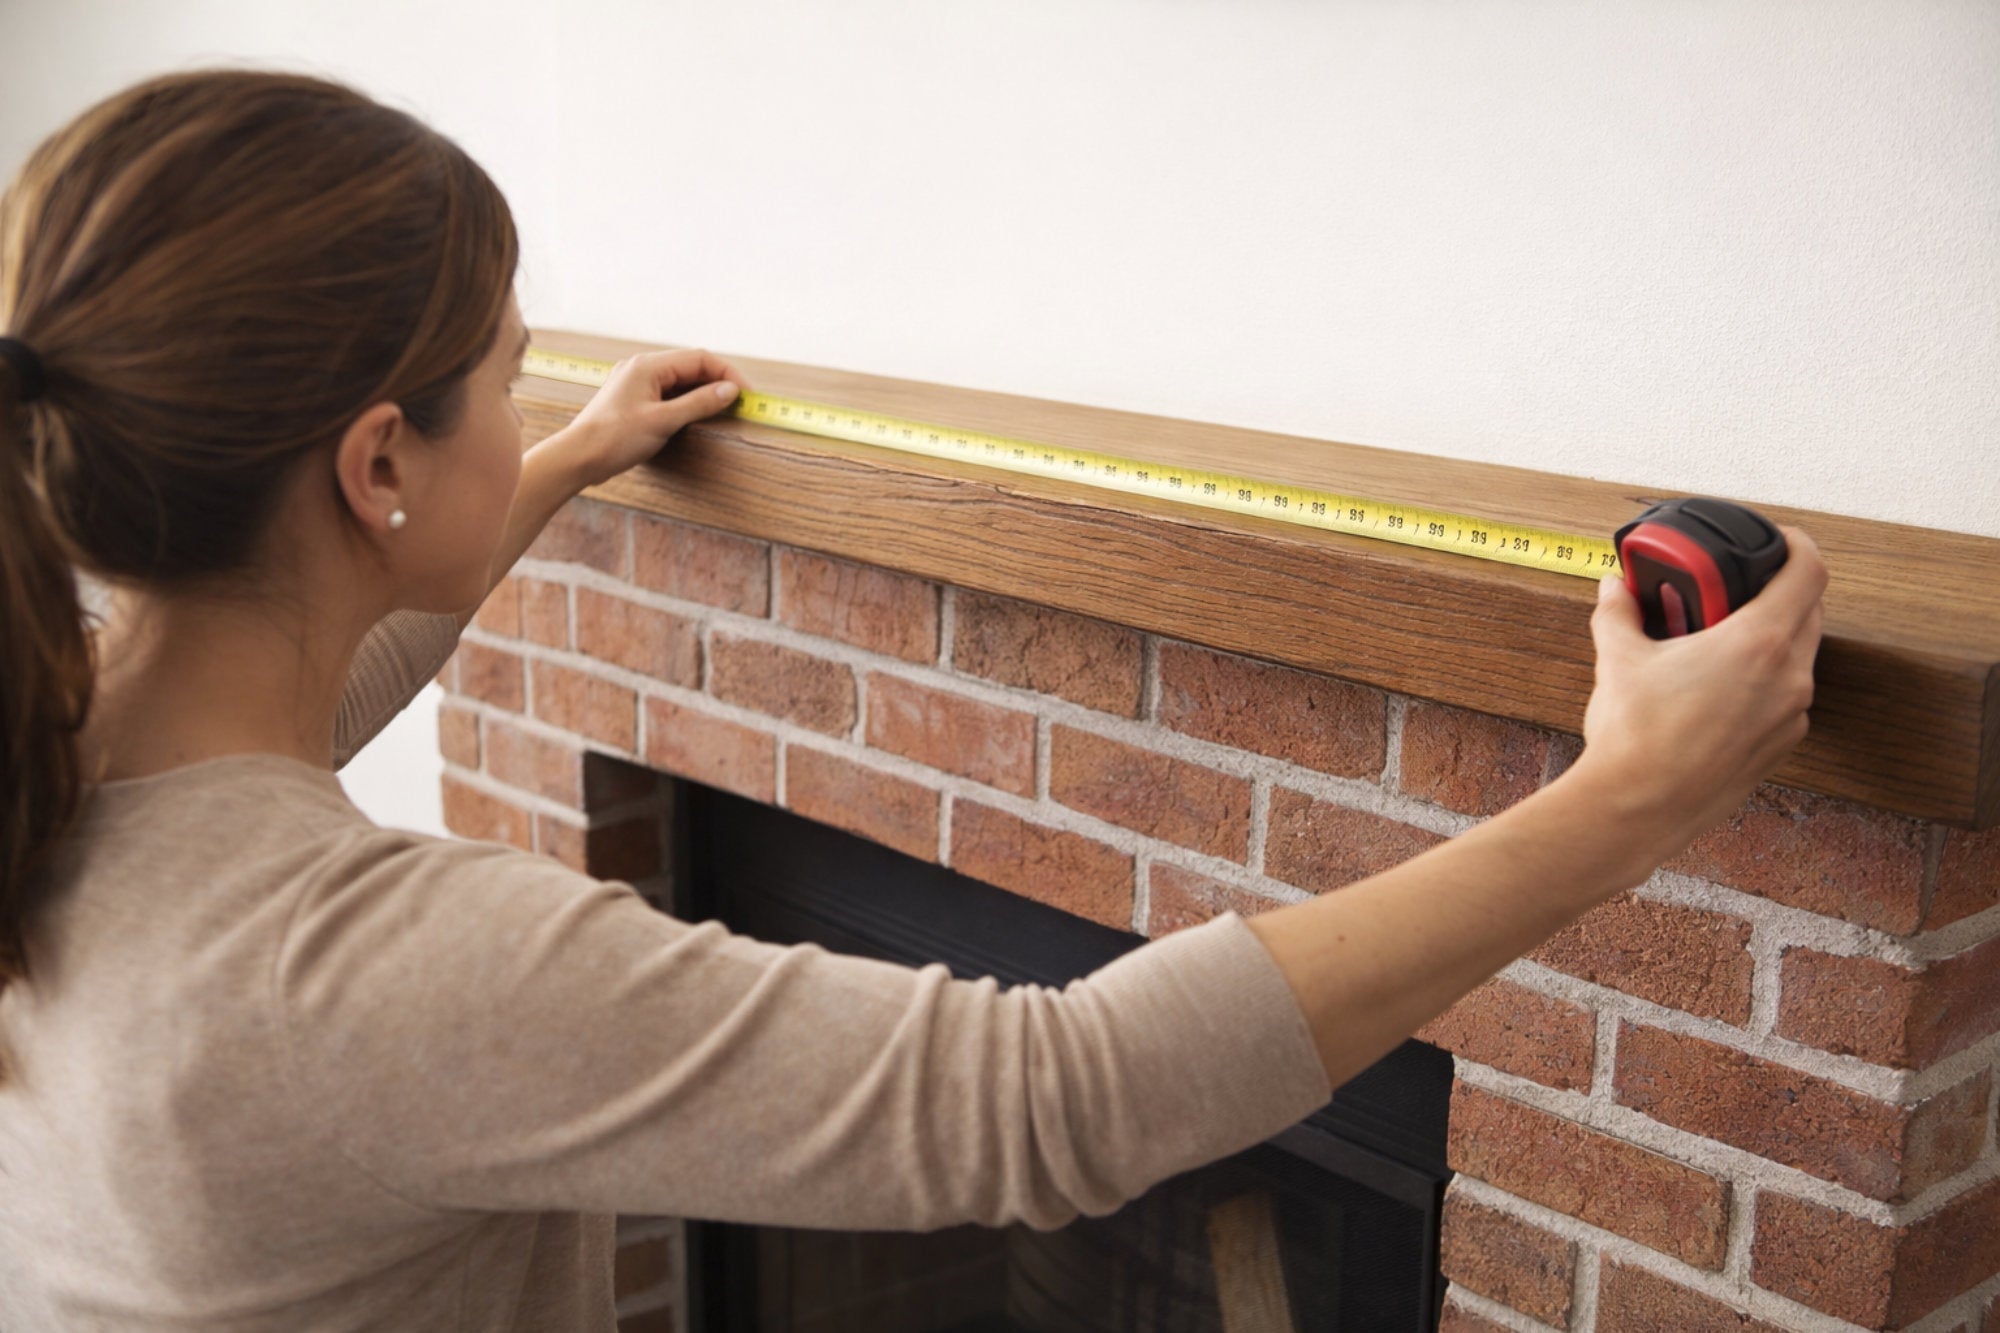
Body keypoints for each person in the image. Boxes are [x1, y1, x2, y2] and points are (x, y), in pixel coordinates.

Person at [0, 69, 1825, 1331]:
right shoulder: (361, 967)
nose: (525, 387)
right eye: (502, 371)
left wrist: (559, 459)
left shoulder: (65, 746)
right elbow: (1052, 1094)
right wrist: (1626, 803)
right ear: (376, 466)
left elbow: (345, 660)